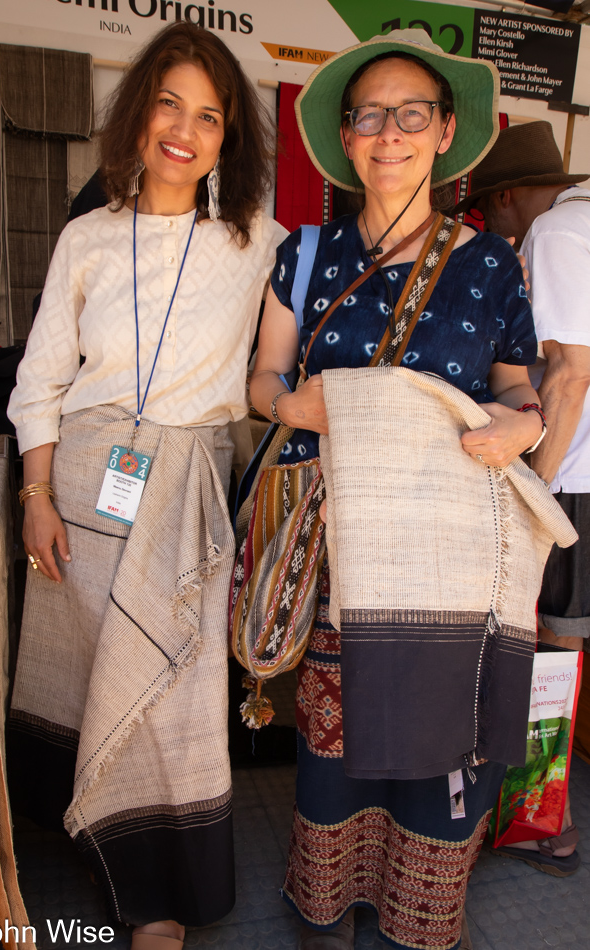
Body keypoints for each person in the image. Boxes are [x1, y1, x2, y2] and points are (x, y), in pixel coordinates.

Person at [249, 30, 546, 950]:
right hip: (344, 549)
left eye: (411, 113)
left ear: (446, 129)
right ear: (346, 136)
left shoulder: (491, 263)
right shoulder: (303, 254)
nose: (390, 133)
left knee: (438, 740)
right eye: (370, 115)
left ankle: (420, 909)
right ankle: (329, 901)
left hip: (453, 557)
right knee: (337, 740)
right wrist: (307, 405)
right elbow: (261, 384)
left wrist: (524, 428)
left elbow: (519, 389)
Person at [7, 22, 286, 949]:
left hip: (188, 489)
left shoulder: (261, 242)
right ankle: (102, 846)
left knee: (175, 684)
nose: (185, 128)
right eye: (169, 102)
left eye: (209, 116)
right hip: (85, 484)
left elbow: (295, 355)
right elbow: (41, 380)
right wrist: (34, 497)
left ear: (227, 138)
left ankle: (160, 895)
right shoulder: (87, 236)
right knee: (90, 672)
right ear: (137, 114)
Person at [455, 119, 590, 877]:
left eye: (486, 214)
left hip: (572, 478)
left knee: (547, 644)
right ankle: (544, 809)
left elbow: (569, 373)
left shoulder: (556, 230)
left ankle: (544, 815)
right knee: (562, 644)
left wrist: (529, 477)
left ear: (508, 200)